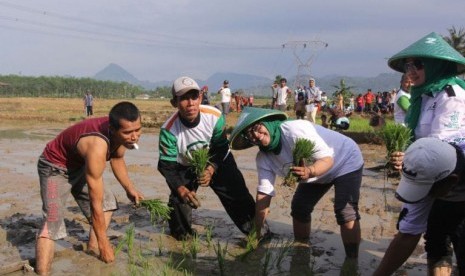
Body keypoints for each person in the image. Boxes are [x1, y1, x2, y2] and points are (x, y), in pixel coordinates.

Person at [375, 31, 465, 275]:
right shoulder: (423, 95)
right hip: (430, 174)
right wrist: (407, 155)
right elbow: (422, 138)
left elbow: (444, 147)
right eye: (408, 65)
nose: (411, 70)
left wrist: (414, 158)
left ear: (437, 64)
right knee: (429, 238)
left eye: (418, 64)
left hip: (453, 177)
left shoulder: (451, 96)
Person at [229, 107, 364, 268]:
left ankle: (352, 262)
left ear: (267, 123)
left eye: (257, 128)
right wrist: (256, 234)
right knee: (300, 208)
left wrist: (309, 171)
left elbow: (327, 160)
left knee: (344, 210)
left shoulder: (293, 131)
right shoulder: (264, 158)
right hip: (313, 173)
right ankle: (301, 249)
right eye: (250, 135)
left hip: (344, 160)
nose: (256, 136)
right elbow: (263, 196)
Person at [35, 101, 144, 275]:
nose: (135, 137)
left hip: (79, 165)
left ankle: (92, 247)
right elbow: (95, 202)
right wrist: (105, 245)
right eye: (128, 132)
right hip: (55, 168)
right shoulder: (97, 146)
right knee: (53, 220)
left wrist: (129, 188)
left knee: (108, 203)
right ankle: (42, 272)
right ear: (113, 129)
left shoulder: (120, 134)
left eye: (138, 129)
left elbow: (117, 158)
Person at [158, 76, 255, 240]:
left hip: (215, 159)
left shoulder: (214, 116)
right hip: (186, 165)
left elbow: (221, 146)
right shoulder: (169, 130)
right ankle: (183, 237)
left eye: (194, 97)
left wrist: (211, 168)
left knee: (236, 193)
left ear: (200, 98)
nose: (190, 104)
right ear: (174, 103)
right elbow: (167, 165)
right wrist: (181, 189)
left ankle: (256, 231)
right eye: (183, 99)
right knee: (179, 200)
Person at [374, 137, 465, 275]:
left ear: (451, 182)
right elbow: (407, 236)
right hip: (444, 192)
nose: (422, 196)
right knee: (436, 244)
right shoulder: (428, 167)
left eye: (426, 190)